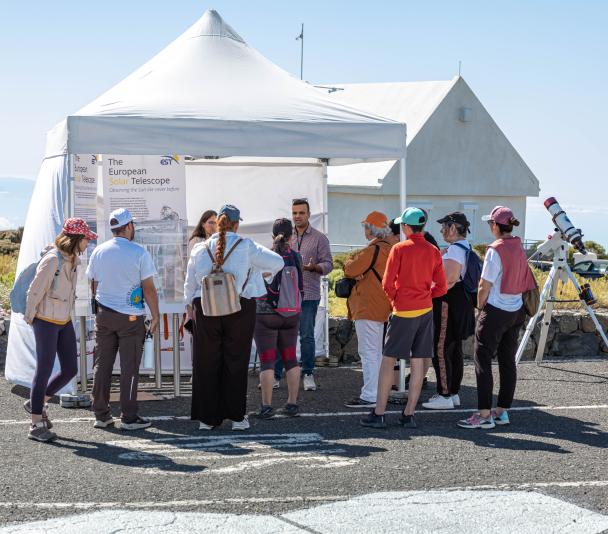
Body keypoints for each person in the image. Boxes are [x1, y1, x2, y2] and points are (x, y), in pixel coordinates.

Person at [185, 204, 283, 431]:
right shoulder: (246, 245)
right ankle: (237, 417)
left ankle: (207, 419)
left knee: (206, 362)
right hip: (239, 307)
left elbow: (189, 281)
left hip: (206, 307)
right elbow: (277, 262)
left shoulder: (200, 249)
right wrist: (258, 272)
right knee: (236, 362)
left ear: (217, 222)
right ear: (237, 224)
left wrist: (189, 306)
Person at [361, 207, 447, 429]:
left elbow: (387, 284)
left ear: (407, 227)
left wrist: (396, 301)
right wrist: (426, 295)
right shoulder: (433, 250)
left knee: (388, 360)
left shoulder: (399, 249)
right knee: (419, 362)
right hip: (425, 311)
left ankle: (379, 413)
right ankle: (408, 414)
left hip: (403, 311)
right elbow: (442, 287)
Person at [458, 206, 534, 429]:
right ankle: (501, 411)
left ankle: (483, 415)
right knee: (507, 361)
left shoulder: (495, 250)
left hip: (496, 311)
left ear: (495, 225)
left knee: (483, 360)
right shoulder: (518, 245)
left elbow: (484, 284)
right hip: (516, 310)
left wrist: (479, 307)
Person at [23, 218, 96, 441]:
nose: (88, 243)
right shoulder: (53, 259)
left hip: (63, 320)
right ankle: (36, 424)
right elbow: (34, 290)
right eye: (86, 239)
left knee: (70, 369)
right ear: (76, 239)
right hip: (45, 320)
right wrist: (30, 317)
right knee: (43, 369)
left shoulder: (73, 260)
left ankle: (38, 402)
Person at [87, 208, 160, 431]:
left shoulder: (99, 251)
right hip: (130, 318)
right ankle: (128, 417)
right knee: (129, 367)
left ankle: (101, 414)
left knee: (102, 364)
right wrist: (156, 315)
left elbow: (93, 283)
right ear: (128, 227)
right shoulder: (139, 252)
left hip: (104, 315)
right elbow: (148, 289)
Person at [274, 198, 333, 391]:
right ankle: (275, 375)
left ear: (309, 214)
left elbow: (329, 264)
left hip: (308, 294)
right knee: (281, 336)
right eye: (294, 213)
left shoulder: (319, 238)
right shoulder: (283, 237)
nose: (297, 216)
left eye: (301, 213)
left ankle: (308, 373)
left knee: (306, 335)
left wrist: (314, 267)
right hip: (284, 296)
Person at [423, 212, 476, 410]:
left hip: (448, 302)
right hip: (462, 302)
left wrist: (428, 291)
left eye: (444, 226)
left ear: (453, 228)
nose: (441, 230)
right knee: (454, 349)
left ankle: (444, 394)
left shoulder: (454, 250)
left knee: (441, 348)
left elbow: (449, 280)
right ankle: (452, 393)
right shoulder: (465, 247)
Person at [343, 212, 396, 408]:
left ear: (371, 229)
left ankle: (370, 394)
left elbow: (350, 269)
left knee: (369, 352)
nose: (364, 230)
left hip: (367, 306)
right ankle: (377, 391)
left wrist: (351, 260)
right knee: (377, 352)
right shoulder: (390, 249)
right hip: (382, 305)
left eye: (366, 227)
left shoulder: (372, 250)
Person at [254, 218, 303, 418]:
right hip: (291, 314)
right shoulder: (297, 257)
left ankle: (266, 406)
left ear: (273, 236)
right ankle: (292, 403)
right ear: (292, 236)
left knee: (267, 361)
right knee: (291, 359)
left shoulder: (266, 256)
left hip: (266, 315)